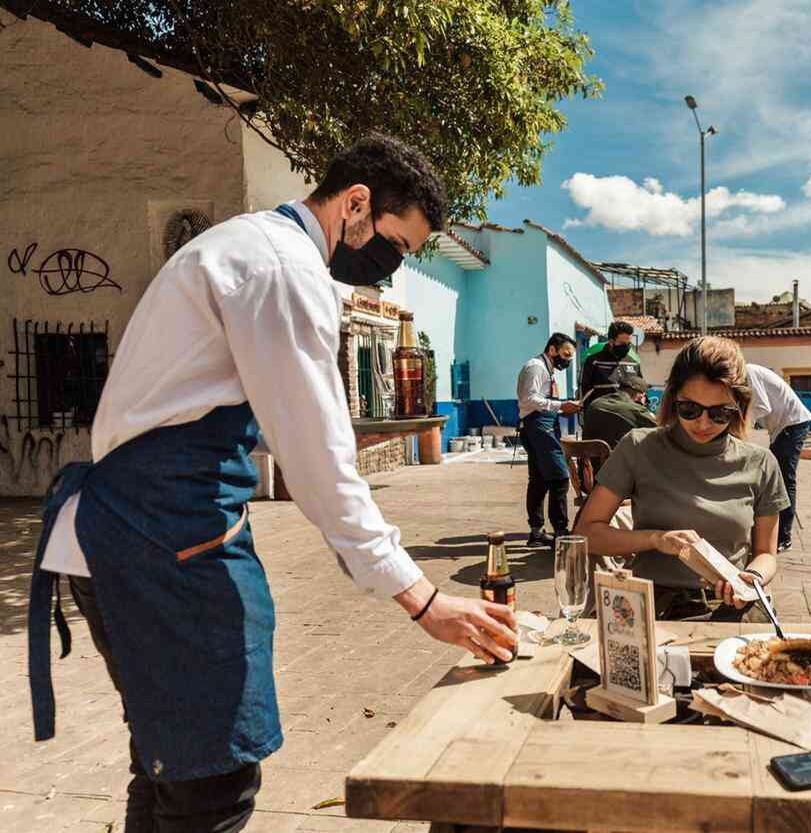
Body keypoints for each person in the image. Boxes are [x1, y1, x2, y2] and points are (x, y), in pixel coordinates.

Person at [27, 134, 518, 833]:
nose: (388, 267)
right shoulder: (286, 270)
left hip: (129, 537)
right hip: (164, 547)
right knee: (214, 782)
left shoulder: (244, 244)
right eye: (397, 246)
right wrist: (424, 598)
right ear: (356, 203)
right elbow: (319, 463)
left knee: (171, 764)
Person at [574, 337, 789, 621]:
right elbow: (587, 533)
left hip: (728, 605)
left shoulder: (760, 463)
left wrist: (750, 578)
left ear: (739, 407)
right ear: (672, 398)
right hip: (651, 603)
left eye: (719, 413)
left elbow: (766, 554)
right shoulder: (639, 447)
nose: (702, 424)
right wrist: (655, 539)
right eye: (690, 409)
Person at [517, 332, 581, 547]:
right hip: (537, 427)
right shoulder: (535, 367)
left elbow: (544, 400)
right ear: (552, 350)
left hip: (544, 424)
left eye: (571, 357)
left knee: (539, 480)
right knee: (559, 478)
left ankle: (536, 532)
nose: (568, 360)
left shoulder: (547, 369)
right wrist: (561, 405)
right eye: (565, 354)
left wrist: (562, 408)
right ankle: (561, 532)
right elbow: (530, 398)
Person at [745, 363, 811, 551]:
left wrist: (742, 429)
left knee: (784, 480)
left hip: (793, 423)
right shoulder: (746, 374)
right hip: (782, 428)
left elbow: (761, 406)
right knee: (775, 480)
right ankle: (774, 534)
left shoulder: (748, 372)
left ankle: (784, 537)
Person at [582, 374, 657, 448]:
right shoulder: (634, 409)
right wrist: (643, 407)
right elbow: (659, 426)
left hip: (587, 457)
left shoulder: (595, 403)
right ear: (639, 395)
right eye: (644, 394)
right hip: (615, 458)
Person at [579, 320, 641, 405]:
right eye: (622, 343)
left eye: (628, 344)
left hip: (627, 416)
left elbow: (640, 390)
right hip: (601, 415)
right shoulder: (593, 362)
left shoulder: (634, 363)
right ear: (611, 342)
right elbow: (585, 394)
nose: (626, 347)